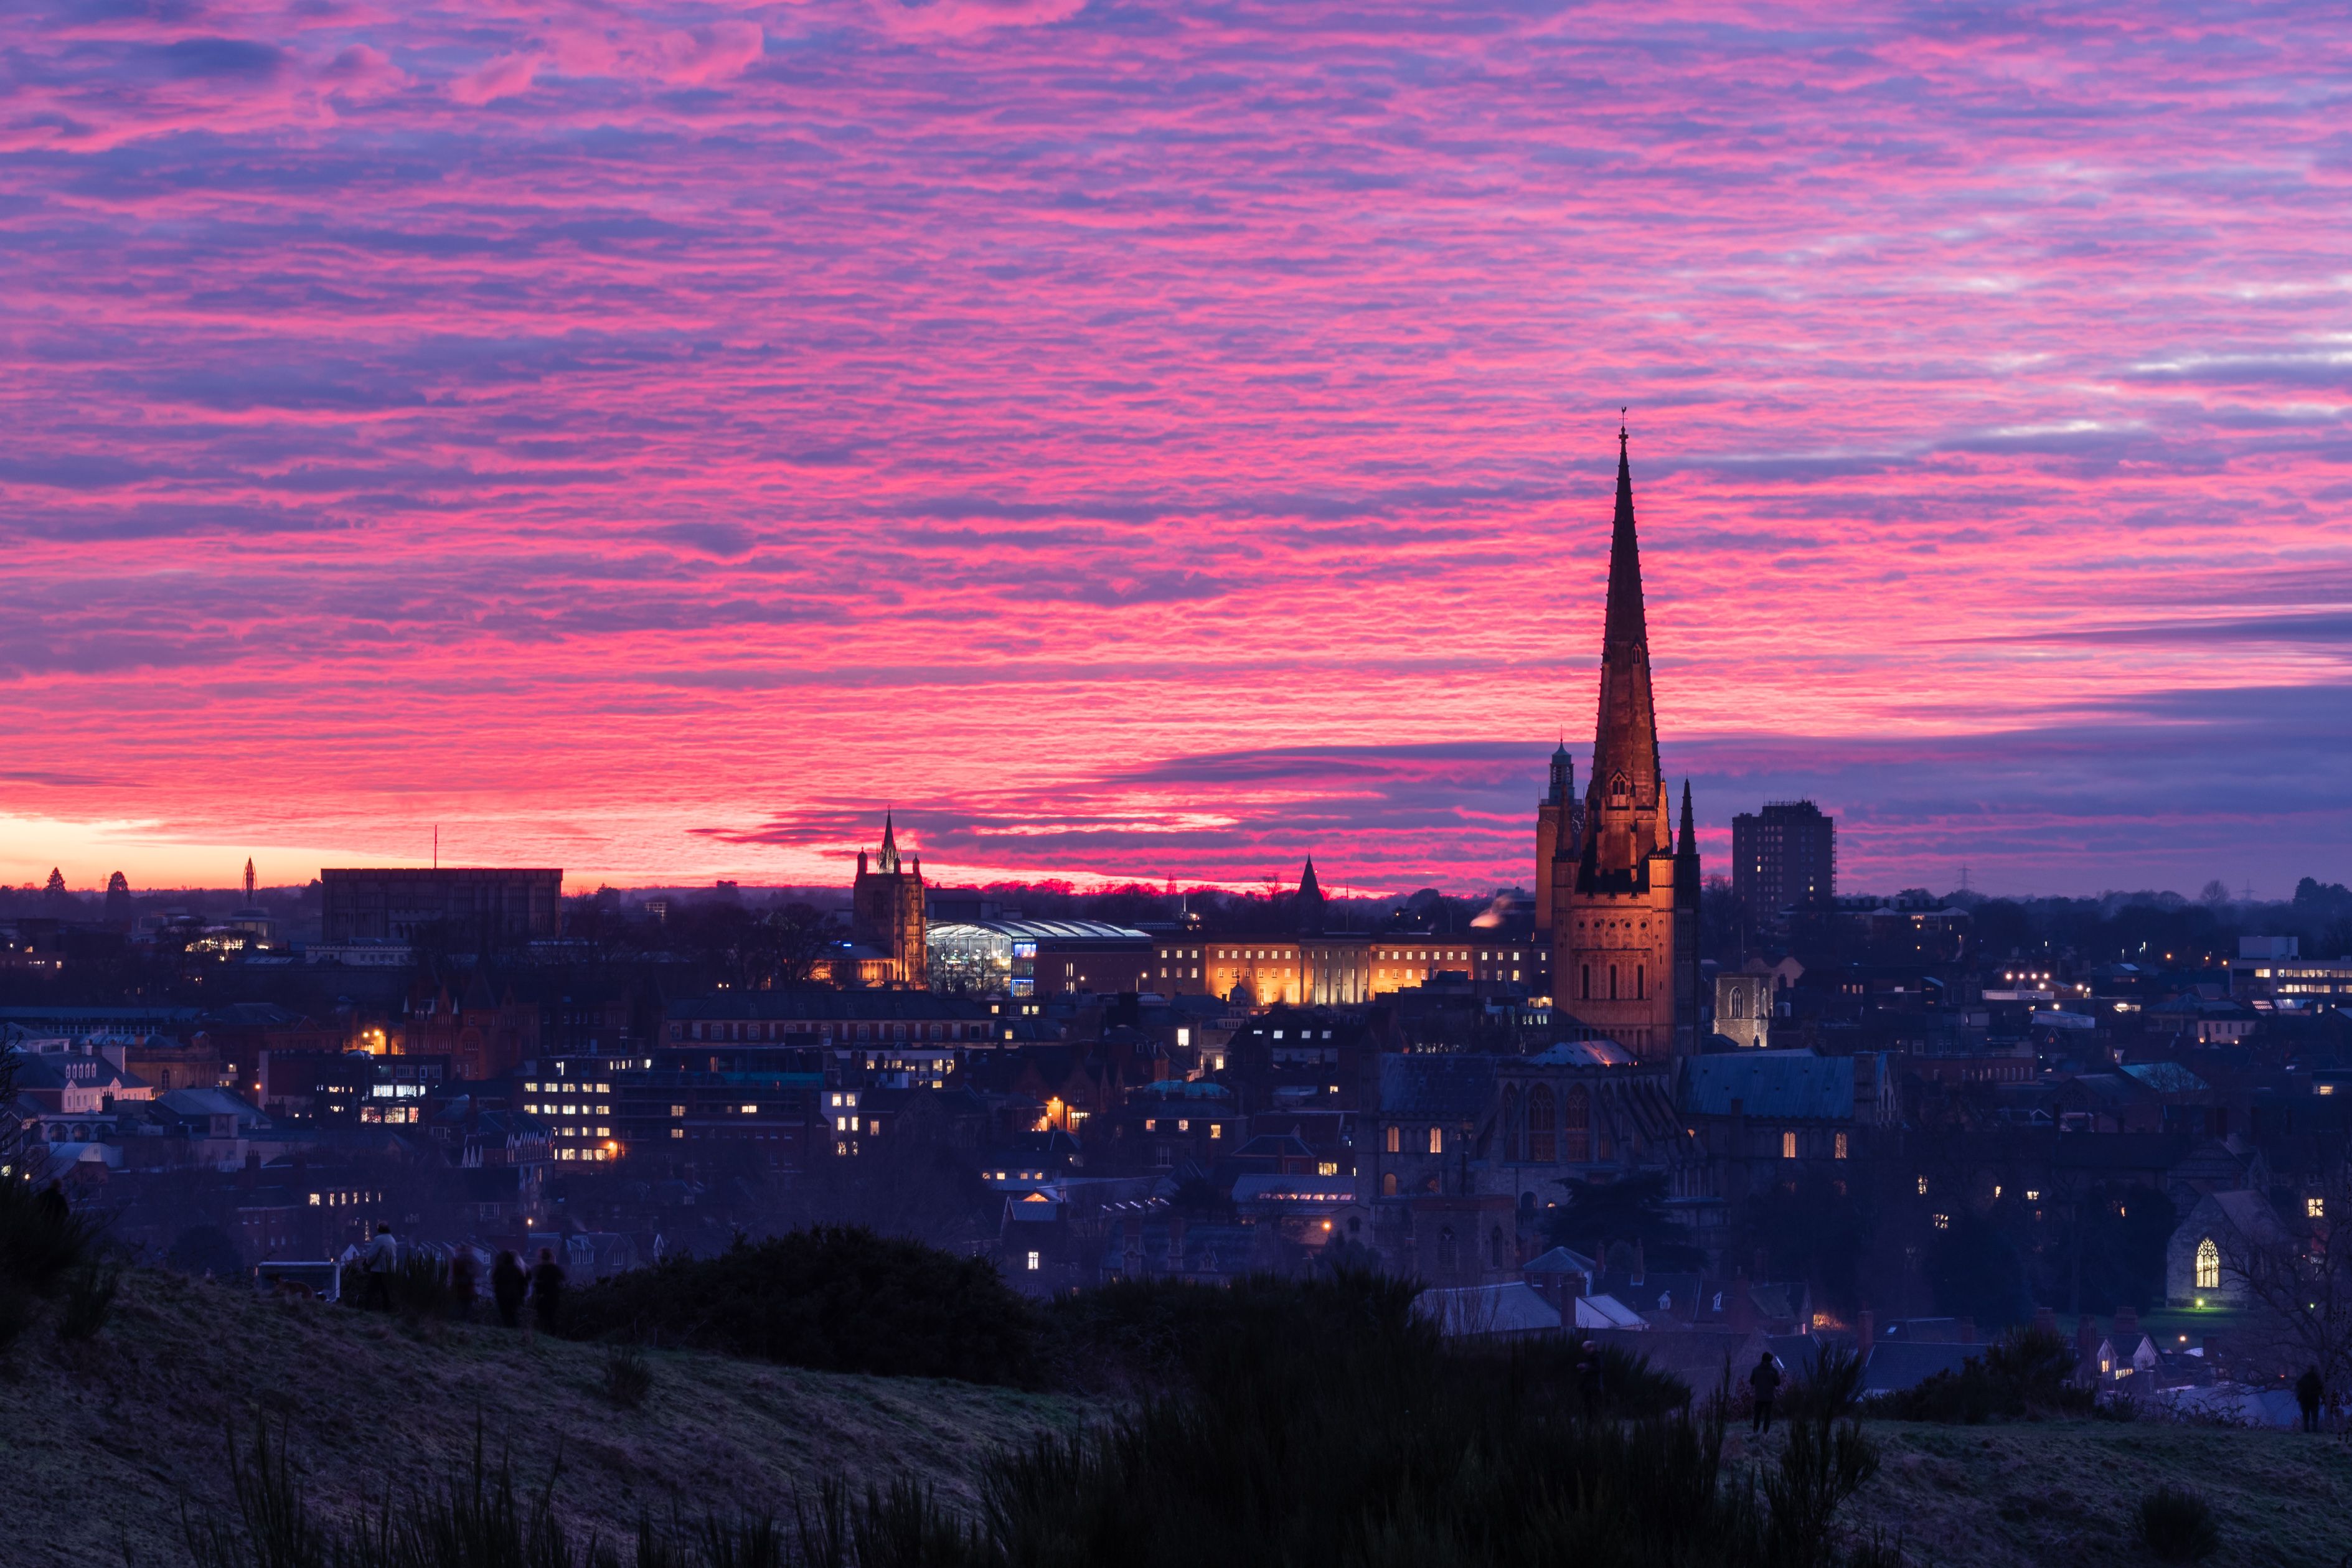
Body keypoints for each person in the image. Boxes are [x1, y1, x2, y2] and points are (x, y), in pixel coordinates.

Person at [359, 1222, 400, 1310]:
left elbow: (372, 1256)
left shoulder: (379, 1239)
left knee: (370, 1291)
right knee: (386, 1293)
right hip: (390, 1270)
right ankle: (387, 1311)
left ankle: (367, 1309)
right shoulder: (392, 1240)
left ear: (379, 1230)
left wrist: (367, 1263)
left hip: (379, 1270)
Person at [528, 1246, 567, 1336]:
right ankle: (552, 1335)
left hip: (541, 1296)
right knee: (551, 1317)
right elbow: (563, 1279)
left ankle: (544, 1335)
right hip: (553, 1296)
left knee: (542, 1317)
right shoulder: (555, 1268)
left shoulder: (537, 1268)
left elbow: (530, 1278)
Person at [1749, 1351, 1782, 1435]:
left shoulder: (1756, 1370)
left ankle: (1756, 1431)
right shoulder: (1773, 1371)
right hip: (1769, 1397)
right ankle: (1765, 1432)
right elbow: (1778, 1383)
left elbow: (1752, 1382)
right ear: (1770, 1360)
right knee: (1768, 1415)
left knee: (1757, 1415)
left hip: (1759, 1396)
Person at [491, 1249, 527, 1328]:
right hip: (514, 1296)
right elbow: (523, 1283)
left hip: (502, 1296)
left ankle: (508, 1330)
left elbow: (494, 1280)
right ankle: (515, 1330)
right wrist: (522, 1295)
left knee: (505, 1315)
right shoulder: (517, 1269)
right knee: (514, 1314)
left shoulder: (499, 1269)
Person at [447, 1247, 480, 1323]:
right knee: (466, 1308)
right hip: (468, 1289)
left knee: (459, 1307)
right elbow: (476, 1273)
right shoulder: (471, 1262)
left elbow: (454, 1275)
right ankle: (465, 1321)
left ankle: (458, 1322)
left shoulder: (456, 1261)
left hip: (458, 1289)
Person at [1576, 1341, 1604, 1409]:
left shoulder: (1597, 1357)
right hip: (1589, 1385)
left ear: (1591, 1348)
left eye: (1585, 1350)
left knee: (1592, 1405)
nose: (1585, 1352)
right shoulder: (1591, 1357)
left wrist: (1586, 1367)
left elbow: (1598, 1368)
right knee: (1588, 1405)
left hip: (1594, 1386)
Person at [2297, 1366, 2325, 1434]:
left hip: (2305, 1400)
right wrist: (2322, 1397)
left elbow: (2299, 1386)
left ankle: (2306, 1431)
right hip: (2314, 1400)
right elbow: (2321, 1389)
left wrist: (2300, 1397)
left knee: (2306, 1417)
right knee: (2315, 1417)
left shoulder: (2304, 1378)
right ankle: (2315, 1431)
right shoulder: (2317, 1379)